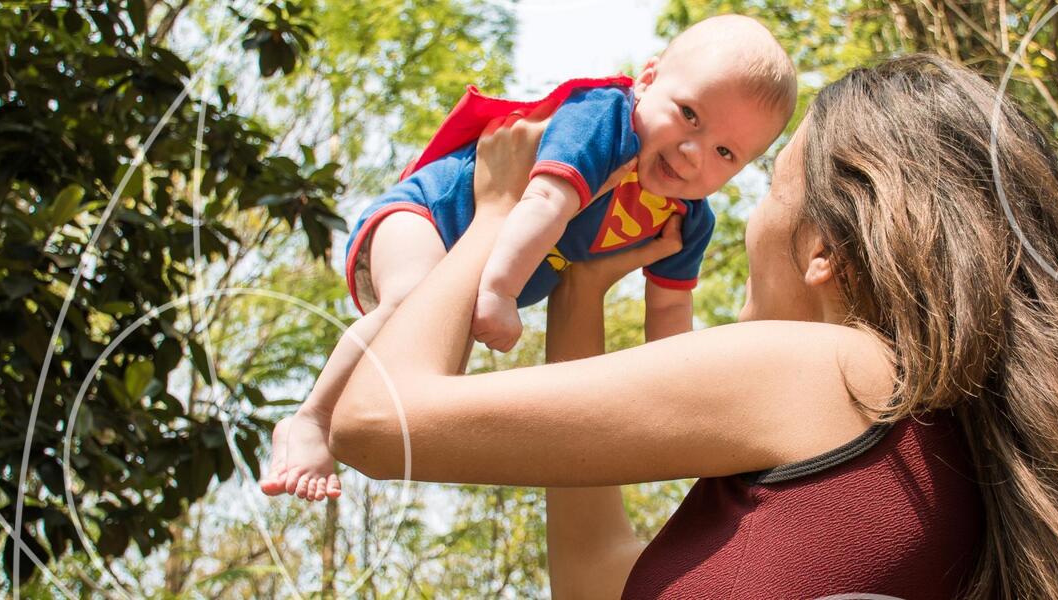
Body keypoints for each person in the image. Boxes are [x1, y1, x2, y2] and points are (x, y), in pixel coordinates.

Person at [325, 54, 1058, 598]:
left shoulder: (827, 370)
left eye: (766, 185)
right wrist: (581, 289)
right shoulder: (927, 448)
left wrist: (492, 216)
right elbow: (600, 578)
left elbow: (378, 421)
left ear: (822, 252)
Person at [260, 14, 798, 500]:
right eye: (688, 115)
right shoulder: (604, 121)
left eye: (725, 152)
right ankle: (311, 418)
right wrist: (499, 290)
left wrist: (685, 404)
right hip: (430, 215)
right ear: (649, 79)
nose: (693, 153)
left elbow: (669, 316)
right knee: (409, 299)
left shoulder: (686, 220)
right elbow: (544, 200)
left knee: (431, 371)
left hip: (475, 267)